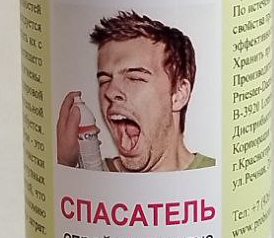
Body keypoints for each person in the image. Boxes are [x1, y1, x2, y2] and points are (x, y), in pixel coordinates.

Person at [57, 10, 215, 172]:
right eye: (105, 80)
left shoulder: (215, 172)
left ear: (179, 94)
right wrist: (64, 164)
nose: (110, 92)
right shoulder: (90, 173)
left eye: (134, 78)